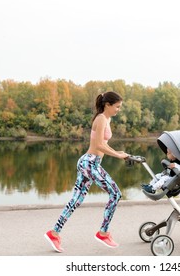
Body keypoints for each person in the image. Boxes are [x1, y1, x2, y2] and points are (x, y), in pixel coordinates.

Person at [44, 91, 129, 252]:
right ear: (108, 105)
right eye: (117, 107)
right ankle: (103, 233)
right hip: (89, 164)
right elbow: (98, 146)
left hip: (90, 163)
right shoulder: (101, 119)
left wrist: (121, 153)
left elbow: (104, 143)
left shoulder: (107, 119)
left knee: (76, 200)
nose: (119, 109)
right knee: (116, 194)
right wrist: (118, 155)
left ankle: (54, 233)